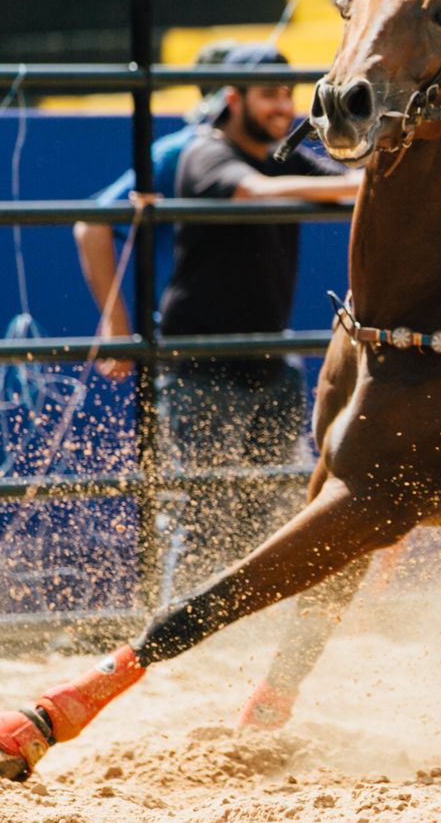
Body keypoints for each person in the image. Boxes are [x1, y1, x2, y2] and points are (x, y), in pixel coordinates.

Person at [152, 42, 361, 596]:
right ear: (232, 98)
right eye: (269, 94)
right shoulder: (206, 153)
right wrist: (361, 183)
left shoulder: (280, 154)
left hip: (269, 363)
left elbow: (336, 190)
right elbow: (257, 191)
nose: (283, 107)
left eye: (288, 94)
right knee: (204, 514)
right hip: (202, 367)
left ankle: (232, 623)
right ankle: (176, 628)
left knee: (265, 507)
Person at [74, 38, 238, 382]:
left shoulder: (270, 154)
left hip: (259, 339)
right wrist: (117, 327)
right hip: (189, 348)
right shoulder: (177, 152)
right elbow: (93, 222)